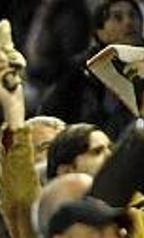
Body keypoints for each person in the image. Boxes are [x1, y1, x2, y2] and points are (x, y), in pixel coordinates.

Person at [39, 0, 143, 138]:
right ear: (100, 32)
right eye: (118, 17)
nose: (128, 22)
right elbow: (50, 111)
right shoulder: (81, 69)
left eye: (133, 16)